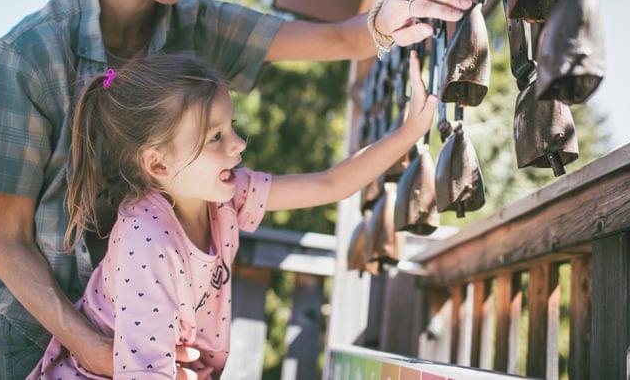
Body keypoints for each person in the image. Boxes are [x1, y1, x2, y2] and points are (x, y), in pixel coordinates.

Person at [0, 0, 470, 377]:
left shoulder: (197, 21)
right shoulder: (28, 56)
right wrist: (92, 349)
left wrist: (386, 19)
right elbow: (2, 239)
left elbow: (336, 39)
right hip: (35, 345)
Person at [24, 51, 436, 379]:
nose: (238, 144)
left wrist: (408, 133)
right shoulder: (145, 240)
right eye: (215, 137)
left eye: (232, 127)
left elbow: (329, 185)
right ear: (159, 165)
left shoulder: (224, 196)